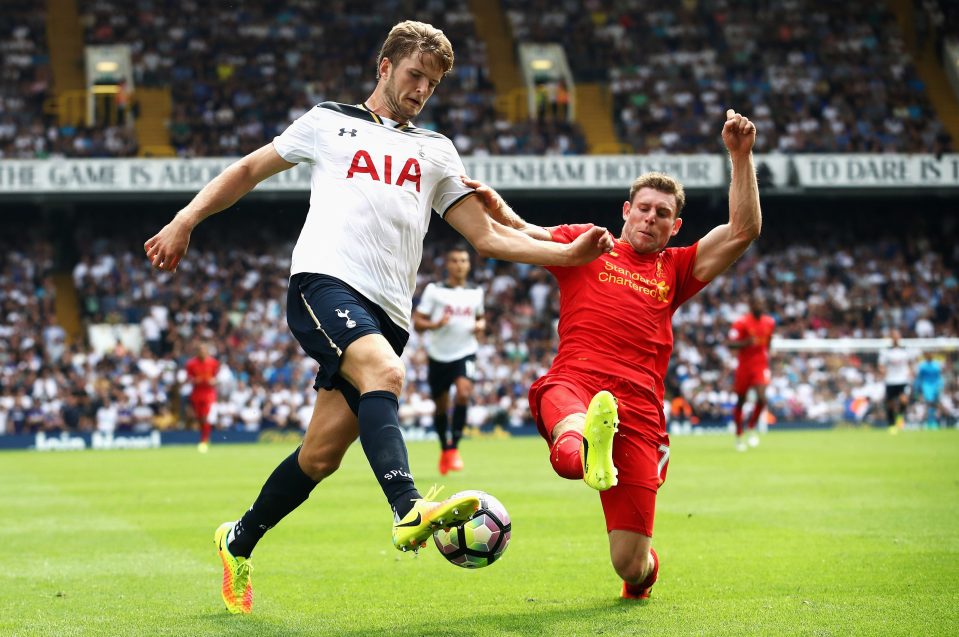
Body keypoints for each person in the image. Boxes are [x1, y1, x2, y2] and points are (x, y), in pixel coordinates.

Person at [143, 20, 613, 615]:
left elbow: (487, 237)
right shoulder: (327, 122)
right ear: (384, 66)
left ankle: (237, 539)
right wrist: (185, 219)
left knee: (320, 456)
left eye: (433, 83)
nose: (422, 90)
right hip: (324, 283)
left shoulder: (436, 150)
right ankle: (408, 509)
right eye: (415, 74)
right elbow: (247, 171)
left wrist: (564, 254)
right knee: (387, 377)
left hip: (389, 313)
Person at [465, 108, 761, 600]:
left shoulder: (677, 268)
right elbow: (532, 234)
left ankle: (641, 577)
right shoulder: (589, 243)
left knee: (629, 562)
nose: (651, 217)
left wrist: (740, 155)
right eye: (643, 208)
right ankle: (585, 443)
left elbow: (742, 230)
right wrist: (500, 211)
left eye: (662, 213)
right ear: (626, 211)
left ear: (675, 225)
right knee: (568, 450)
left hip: (640, 410)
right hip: (576, 382)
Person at [413, 245, 485, 475]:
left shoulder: (476, 292)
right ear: (447, 264)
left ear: (469, 264)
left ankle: (454, 448)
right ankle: (445, 449)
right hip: (438, 355)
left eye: (463, 261)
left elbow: (480, 318)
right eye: (454, 260)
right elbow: (418, 323)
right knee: (441, 406)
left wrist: (481, 325)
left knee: (464, 392)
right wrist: (436, 324)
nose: (459, 265)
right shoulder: (434, 291)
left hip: (465, 351)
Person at [727, 295, 775, 451]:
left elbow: (769, 342)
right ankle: (739, 435)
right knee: (741, 401)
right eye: (757, 302)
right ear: (751, 305)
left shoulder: (769, 322)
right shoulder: (741, 323)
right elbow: (730, 343)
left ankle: (752, 426)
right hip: (744, 366)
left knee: (762, 398)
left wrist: (769, 358)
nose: (760, 306)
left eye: (762, 303)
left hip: (760, 365)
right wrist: (746, 343)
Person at [185, 342, 219, 453]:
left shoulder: (213, 363)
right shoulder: (191, 364)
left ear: (207, 351)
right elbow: (189, 378)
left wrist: (213, 381)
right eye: (200, 350)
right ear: (197, 352)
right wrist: (195, 380)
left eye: (204, 350)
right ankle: (204, 437)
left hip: (209, 393)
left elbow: (216, 377)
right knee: (199, 418)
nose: (202, 352)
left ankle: (204, 440)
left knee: (205, 416)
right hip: (197, 393)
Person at [879, 330, 912, 433]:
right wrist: (882, 371)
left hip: (902, 380)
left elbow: (910, 363)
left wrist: (910, 371)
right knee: (890, 403)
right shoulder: (886, 351)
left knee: (904, 400)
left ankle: (900, 417)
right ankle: (891, 424)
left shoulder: (905, 350)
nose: (896, 338)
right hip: (890, 380)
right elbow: (881, 365)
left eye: (897, 335)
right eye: (894, 336)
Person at [913, 351, 944, 429]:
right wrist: (917, 388)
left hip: (935, 385)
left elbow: (939, 376)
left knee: (934, 403)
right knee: (929, 403)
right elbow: (919, 377)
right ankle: (930, 421)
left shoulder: (937, 364)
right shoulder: (922, 366)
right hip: (927, 385)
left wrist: (941, 385)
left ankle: (933, 420)